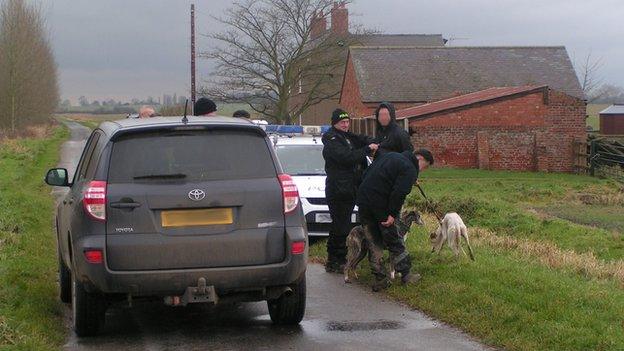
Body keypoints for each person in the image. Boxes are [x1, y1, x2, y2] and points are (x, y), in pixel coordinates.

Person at [356, 148, 434, 291]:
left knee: (373, 240)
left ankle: (380, 278)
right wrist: (392, 214)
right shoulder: (409, 168)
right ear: (421, 159)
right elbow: (399, 192)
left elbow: (367, 173)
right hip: (380, 205)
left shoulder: (390, 156)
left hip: (363, 202)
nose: (422, 170)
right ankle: (406, 274)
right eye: (425, 167)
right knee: (394, 239)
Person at [322, 108, 378, 273]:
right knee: (340, 225)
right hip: (338, 188)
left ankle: (341, 258)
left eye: (347, 122)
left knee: (343, 223)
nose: (346, 125)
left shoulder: (347, 136)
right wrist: (367, 150)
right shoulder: (332, 140)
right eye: (342, 122)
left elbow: (361, 139)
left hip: (351, 186)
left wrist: (374, 142)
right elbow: (347, 158)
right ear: (335, 123)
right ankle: (335, 260)